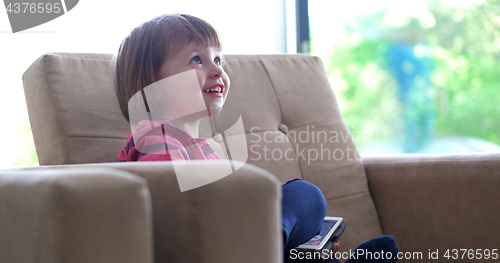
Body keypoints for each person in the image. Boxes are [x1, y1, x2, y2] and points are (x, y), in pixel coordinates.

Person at [113, 13, 398, 263]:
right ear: (156, 87)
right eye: (196, 60)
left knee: (303, 232)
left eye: (217, 59)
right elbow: (171, 213)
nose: (217, 70)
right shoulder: (157, 137)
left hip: (231, 240)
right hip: (214, 247)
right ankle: (266, 241)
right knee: (304, 194)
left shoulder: (197, 142)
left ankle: (281, 245)